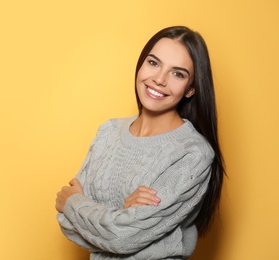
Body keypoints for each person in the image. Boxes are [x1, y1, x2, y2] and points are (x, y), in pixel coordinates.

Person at [55, 25, 225, 259]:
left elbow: (122, 237)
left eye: (178, 74)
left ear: (191, 89)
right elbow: (67, 224)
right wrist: (121, 215)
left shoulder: (192, 153)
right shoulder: (109, 132)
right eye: (153, 63)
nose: (159, 79)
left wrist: (74, 204)